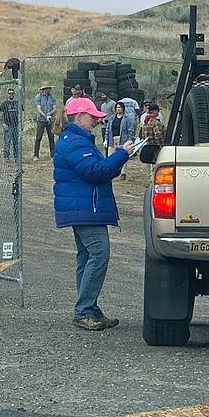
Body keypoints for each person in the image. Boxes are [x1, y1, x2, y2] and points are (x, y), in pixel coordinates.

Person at [53, 96, 134, 330]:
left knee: (87, 257)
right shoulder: (76, 142)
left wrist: (115, 163)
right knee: (98, 254)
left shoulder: (76, 140)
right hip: (86, 208)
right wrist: (121, 155)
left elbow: (98, 171)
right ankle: (84, 310)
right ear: (79, 117)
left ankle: (90, 308)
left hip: (84, 207)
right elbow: (94, 171)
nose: (96, 121)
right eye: (93, 117)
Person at [33, 83, 56, 162]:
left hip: (50, 120)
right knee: (38, 137)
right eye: (47, 88)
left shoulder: (52, 97)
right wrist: (45, 116)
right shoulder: (38, 97)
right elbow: (38, 109)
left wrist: (49, 114)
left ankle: (53, 155)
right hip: (41, 120)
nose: (49, 90)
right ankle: (36, 155)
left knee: (51, 137)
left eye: (49, 88)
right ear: (44, 89)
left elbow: (54, 108)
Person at [0, 87, 22, 164]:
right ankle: (6, 157)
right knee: (7, 142)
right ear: (7, 94)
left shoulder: (18, 103)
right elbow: (1, 115)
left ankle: (16, 157)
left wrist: (21, 124)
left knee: (16, 143)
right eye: (10, 93)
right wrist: (3, 124)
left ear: (14, 94)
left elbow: (22, 113)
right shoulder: (4, 104)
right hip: (8, 126)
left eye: (12, 93)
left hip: (16, 126)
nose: (11, 94)